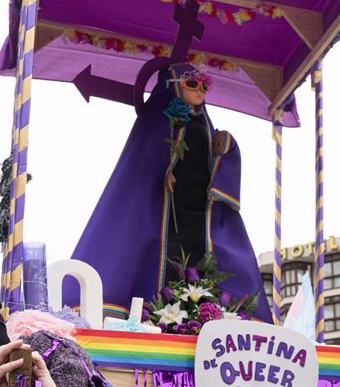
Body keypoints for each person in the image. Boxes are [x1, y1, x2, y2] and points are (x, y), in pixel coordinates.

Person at [66, 63, 269, 319]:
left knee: (206, 259)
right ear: (173, 86)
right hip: (162, 204)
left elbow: (216, 159)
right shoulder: (160, 120)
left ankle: (202, 312)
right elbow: (147, 153)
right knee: (151, 255)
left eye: (205, 85)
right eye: (192, 84)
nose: (200, 91)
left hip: (199, 208)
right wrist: (166, 167)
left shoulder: (205, 125)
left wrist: (226, 147)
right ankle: (154, 313)